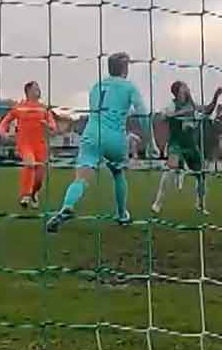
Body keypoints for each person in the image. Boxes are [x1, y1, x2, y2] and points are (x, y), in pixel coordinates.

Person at [46, 52, 147, 232]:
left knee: (81, 178)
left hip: (92, 135)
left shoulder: (96, 86)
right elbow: (143, 113)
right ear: (125, 69)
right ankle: (122, 215)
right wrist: (150, 140)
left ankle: (67, 206)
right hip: (115, 138)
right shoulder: (129, 86)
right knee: (118, 173)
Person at [151, 81, 222, 215]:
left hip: (191, 144)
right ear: (178, 91)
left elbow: (208, 110)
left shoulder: (193, 105)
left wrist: (216, 97)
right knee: (170, 169)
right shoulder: (172, 105)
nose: (188, 88)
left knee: (201, 174)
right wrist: (177, 114)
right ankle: (158, 203)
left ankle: (200, 205)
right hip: (176, 143)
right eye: (184, 87)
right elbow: (162, 117)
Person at [0, 81, 59, 209]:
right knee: (29, 163)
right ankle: (25, 195)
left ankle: (34, 193)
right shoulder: (19, 107)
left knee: (39, 177)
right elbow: (5, 122)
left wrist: (48, 125)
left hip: (40, 145)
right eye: (36, 88)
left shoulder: (43, 108)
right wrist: (3, 133)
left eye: (39, 88)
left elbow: (53, 126)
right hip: (24, 143)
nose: (39, 90)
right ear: (28, 91)